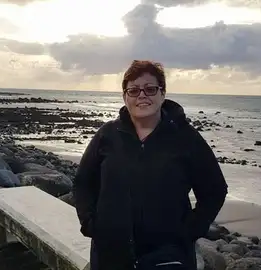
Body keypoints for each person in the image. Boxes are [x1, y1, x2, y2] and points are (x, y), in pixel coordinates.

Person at [72, 60, 228, 270]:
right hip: (110, 255)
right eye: (134, 90)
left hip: (168, 258)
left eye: (150, 89)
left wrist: (188, 232)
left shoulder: (186, 138)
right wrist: (90, 224)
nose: (142, 95)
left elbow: (215, 190)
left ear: (162, 94)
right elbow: (83, 183)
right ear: (125, 96)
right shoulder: (107, 135)